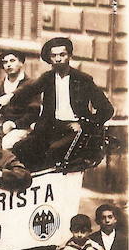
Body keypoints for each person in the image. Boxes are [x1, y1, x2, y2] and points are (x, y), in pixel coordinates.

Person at [11, 37, 114, 170]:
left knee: (53, 151)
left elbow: (107, 109)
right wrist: (10, 97)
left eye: (62, 55)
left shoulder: (82, 79)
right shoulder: (48, 78)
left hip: (74, 130)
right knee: (21, 148)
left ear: (69, 56)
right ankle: (29, 182)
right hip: (52, 127)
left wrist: (84, 124)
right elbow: (29, 90)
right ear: (49, 58)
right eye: (53, 55)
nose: (58, 59)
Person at [0, 50, 39, 150]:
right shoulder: (0, 85)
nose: (8, 65)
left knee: (6, 144)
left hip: (22, 127)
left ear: (21, 63)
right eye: (5, 62)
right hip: (2, 127)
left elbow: (33, 112)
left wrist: (14, 125)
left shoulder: (31, 84)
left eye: (12, 61)